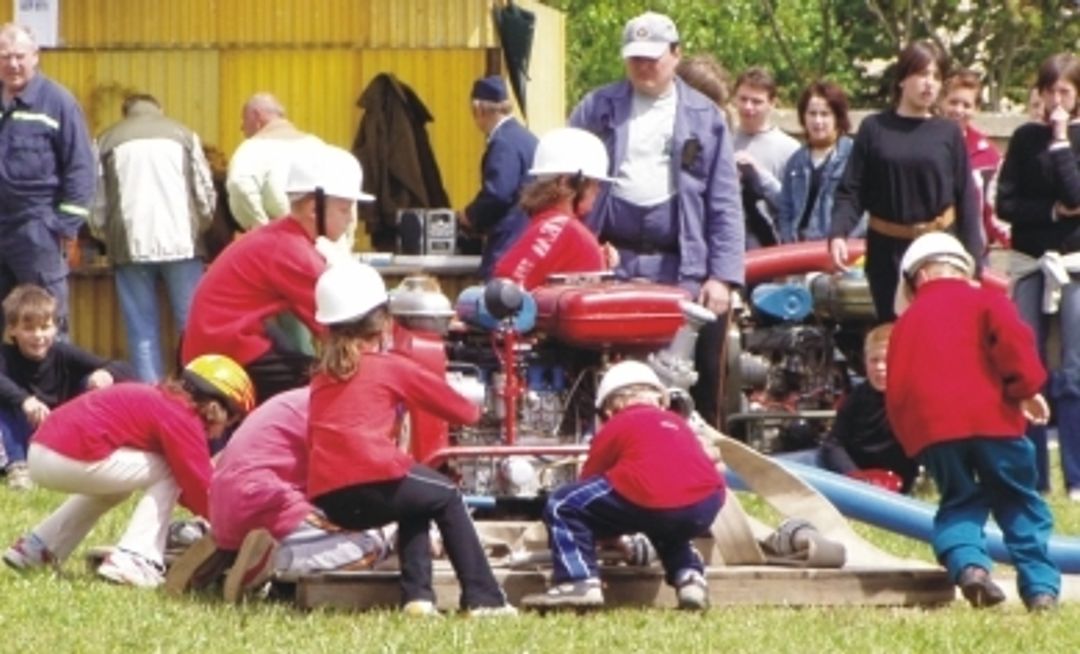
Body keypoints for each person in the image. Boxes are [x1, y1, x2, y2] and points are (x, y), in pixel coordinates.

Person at [307, 260, 515, 617]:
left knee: (418, 498)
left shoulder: (320, 378)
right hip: (374, 477)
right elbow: (465, 413)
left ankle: (418, 598)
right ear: (384, 321)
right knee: (447, 495)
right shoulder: (391, 367)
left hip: (330, 498)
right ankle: (484, 599)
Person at [569, 11, 744, 428]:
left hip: (681, 267)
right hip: (610, 264)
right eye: (636, 58)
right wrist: (581, 247)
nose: (644, 66)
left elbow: (724, 202)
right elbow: (564, 186)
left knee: (686, 377)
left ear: (676, 54)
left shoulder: (706, 117)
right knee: (594, 372)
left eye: (653, 57)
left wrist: (722, 277)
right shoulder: (596, 108)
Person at [887, 232, 1059, 612]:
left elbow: (896, 390)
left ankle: (970, 567)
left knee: (958, 500)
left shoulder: (904, 325)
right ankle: (1040, 589)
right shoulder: (988, 301)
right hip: (994, 422)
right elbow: (1014, 343)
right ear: (963, 270)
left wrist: (915, 440)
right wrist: (1027, 389)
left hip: (935, 434)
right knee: (1018, 500)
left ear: (919, 277)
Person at [2, 354, 254, 589]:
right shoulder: (183, 418)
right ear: (215, 408)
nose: (222, 433)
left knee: (115, 489)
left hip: (42, 451)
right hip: (66, 455)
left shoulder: (162, 398)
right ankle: (135, 558)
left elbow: (190, 492)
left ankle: (38, 548)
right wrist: (234, 529)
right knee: (169, 469)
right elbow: (199, 487)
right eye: (231, 421)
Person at [521, 360, 724, 610]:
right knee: (669, 528)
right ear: (660, 400)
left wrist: (603, 532)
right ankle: (690, 578)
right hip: (706, 502)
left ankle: (578, 581)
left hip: (646, 492)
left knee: (564, 504)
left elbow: (590, 482)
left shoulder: (619, 423)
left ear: (610, 408)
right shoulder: (678, 423)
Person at [181, 142, 373, 404]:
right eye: (344, 209)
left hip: (214, 341)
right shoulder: (293, 251)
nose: (351, 219)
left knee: (309, 365)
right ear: (314, 209)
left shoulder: (283, 236)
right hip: (225, 350)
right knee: (328, 385)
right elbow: (337, 324)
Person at [164, 387, 389, 602]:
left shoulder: (295, 399)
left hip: (224, 505)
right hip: (265, 500)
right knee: (370, 546)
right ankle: (271, 562)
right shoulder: (343, 412)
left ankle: (225, 554)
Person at [829, 40, 983, 322]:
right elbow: (852, 190)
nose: (929, 83)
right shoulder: (874, 128)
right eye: (922, 74)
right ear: (902, 78)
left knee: (938, 333)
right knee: (893, 335)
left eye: (936, 76)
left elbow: (967, 200)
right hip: (887, 254)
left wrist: (975, 263)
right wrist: (839, 232)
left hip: (939, 250)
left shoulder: (948, 133)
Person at [996, 52, 1080, 498]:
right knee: (1028, 365)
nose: (1056, 100)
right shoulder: (1025, 138)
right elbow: (1006, 204)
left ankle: (1076, 475)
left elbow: (1077, 195)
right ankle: (1034, 474)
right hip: (1030, 261)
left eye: (1065, 91)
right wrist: (1051, 213)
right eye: (1050, 91)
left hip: (1074, 267)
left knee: (1074, 370)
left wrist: (1063, 143)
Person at [92, 93, 216, 383]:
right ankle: (201, 391)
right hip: (183, 244)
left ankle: (151, 396)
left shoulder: (106, 140)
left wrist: (107, 238)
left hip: (130, 247)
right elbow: (205, 194)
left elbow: (96, 202)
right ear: (160, 109)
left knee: (142, 331)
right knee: (192, 326)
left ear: (125, 112)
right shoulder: (184, 134)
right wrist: (200, 228)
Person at [0, 23, 96, 337]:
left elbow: (81, 168)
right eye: (5, 57)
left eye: (19, 56)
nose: (13, 64)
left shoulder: (58, 102)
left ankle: (52, 373)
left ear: (35, 56)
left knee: (45, 324)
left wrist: (62, 226)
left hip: (37, 230)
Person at [0, 285, 135, 490]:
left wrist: (105, 373)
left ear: (55, 327)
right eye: (29, 329)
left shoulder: (63, 353)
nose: (38, 335)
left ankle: (93, 454)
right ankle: (18, 467)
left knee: (91, 383)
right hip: (20, 431)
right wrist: (24, 400)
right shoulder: (5, 356)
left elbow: (125, 368)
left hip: (59, 429)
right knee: (6, 402)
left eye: (45, 327)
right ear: (11, 329)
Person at [492, 127, 616, 289]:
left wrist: (599, 255)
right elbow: (506, 286)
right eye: (593, 183)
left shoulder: (553, 228)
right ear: (565, 182)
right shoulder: (559, 229)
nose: (598, 190)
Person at [818, 323, 918, 493]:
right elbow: (833, 444)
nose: (880, 367)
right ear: (865, 362)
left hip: (901, 483)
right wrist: (854, 476)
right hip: (858, 481)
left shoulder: (914, 399)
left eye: (888, 360)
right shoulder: (857, 399)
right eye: (874, 360)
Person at [461, 76, 539, 279]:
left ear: (478, 109)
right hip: (530, 242)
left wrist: (470, 215)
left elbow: (498, 193)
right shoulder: (528, 139)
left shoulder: (503, 143)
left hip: (508, 244)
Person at [226, 93, 325, 232]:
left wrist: (258, 225)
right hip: (321, 235)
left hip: (282, 235)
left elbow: (239, 185)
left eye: (244, 119)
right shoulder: (318, 145)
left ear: (257, 116)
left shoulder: (252, 149)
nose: (242, 127)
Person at [776, 80, 858, 243]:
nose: (818, 121)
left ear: (837, 117)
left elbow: (860, 211)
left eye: (825, 114)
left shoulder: (854, 157)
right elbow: (785, 210)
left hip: (838, 247)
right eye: (812, 114)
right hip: (798, 248)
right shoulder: (796, 161)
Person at [732, 66, 800, 248]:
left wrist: (760, 174)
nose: (748, 107)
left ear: (772, 103)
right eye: (743, 99)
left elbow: (795, 208)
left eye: (757, 102)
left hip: (770, 247)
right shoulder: (723, 140)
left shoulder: (790, 149)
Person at [941, 70, 1009, 250]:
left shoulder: (989, 156)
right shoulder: (925, 145)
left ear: (976, 109)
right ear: (942, 102)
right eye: (953, 102)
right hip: (932, 248)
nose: (958, 110)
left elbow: (993, 211)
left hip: (973, 250)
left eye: (966, 105)